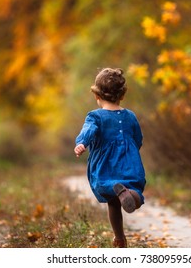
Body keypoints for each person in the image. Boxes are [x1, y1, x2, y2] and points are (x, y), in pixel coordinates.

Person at [74, 68, 146, 248]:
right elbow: (138, 138)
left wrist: (82, 143)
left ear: (97, 96)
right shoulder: (130, 116)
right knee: (133, 190)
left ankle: (120, 239)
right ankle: (130, 195)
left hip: (105, 166)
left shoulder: (95, 116)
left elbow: (88, 131)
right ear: (121, 95)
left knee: (112, 201)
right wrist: (131, 152)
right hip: (129, 163)